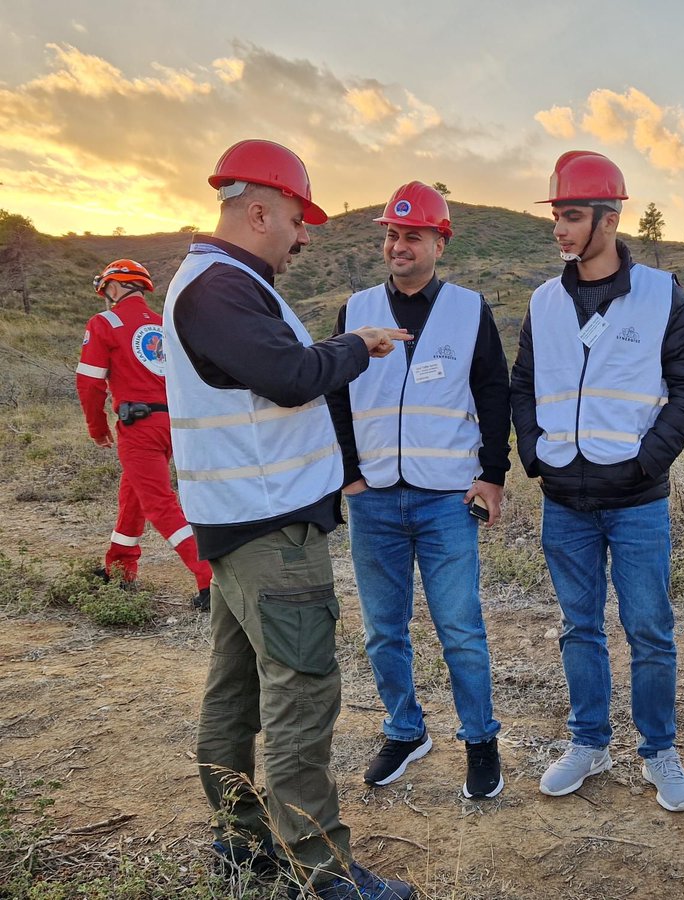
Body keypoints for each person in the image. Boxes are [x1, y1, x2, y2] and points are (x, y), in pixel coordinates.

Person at [162, 139, 414, 900]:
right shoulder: (219, 289)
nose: (305, 236)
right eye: (300, 219)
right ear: (260, 209)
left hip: (241, 528)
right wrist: (355, 345)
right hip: (269, 531)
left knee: (236, 689)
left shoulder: (225, 282)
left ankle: (241, 847)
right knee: (301, 692)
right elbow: (292, 375)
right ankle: (326, 871)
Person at [510, 150, 684, 812]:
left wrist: (646, 461)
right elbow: (522, 386)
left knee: (650, 628)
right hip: (564, 501)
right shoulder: (543, 302)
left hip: (636, 504)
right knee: (579, 626)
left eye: (572, 216)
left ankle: (659, 751)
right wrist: (534, 453)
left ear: (610, 216)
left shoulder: (660, 293)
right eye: (557, 218)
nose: (561, 230)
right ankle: (589, 743)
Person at [326, 182, 510, 800]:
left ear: (439, 241)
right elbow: (335, 396)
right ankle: (405, 732)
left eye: (411, 235)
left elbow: (493, 393)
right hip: (374, 497)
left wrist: (493, 474)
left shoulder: (467, 308)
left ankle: (480, 741)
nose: (397, 245)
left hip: (446, 500)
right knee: (383, 628)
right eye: (391, 234)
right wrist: (348, 471)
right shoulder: (355, 311)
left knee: (459, 627)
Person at [75, 260, 214, 607]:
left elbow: (90, 384)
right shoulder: (162, 325)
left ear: (116, 287)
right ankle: (120, 567)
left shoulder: (104, 323)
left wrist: (97, 428)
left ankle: (209, 578)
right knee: (134, 495)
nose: (106, 297)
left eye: (106, 289)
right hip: (172, 424)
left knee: (159, 503)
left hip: (138, 426)